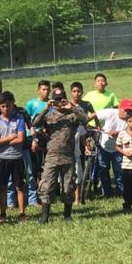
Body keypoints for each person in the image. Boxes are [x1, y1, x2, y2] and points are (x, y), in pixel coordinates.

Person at [33, 92, 87, 223]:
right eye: (56, 100)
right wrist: (46, 108)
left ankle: (67, 215)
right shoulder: (49, 115)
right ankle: (45, 216)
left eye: (61, 100)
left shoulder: (72, 116)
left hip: (68, 156)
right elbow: (35, 123)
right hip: (52, 156)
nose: (58, 103)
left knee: (68, 186)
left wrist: (73, 107)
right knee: (47, 185)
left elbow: (85, 119)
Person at [0, 92, 27, 224]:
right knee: (2, 187)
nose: (6, 108)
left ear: (13, 104)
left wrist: (3, 141)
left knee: (20, 187)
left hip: (17, 157)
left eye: (9, 105)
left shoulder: (19, 119)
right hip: (2, 158)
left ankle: (22, 214)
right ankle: (3, 214)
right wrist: (10, 138)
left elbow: (21, 139)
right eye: (3, 106)